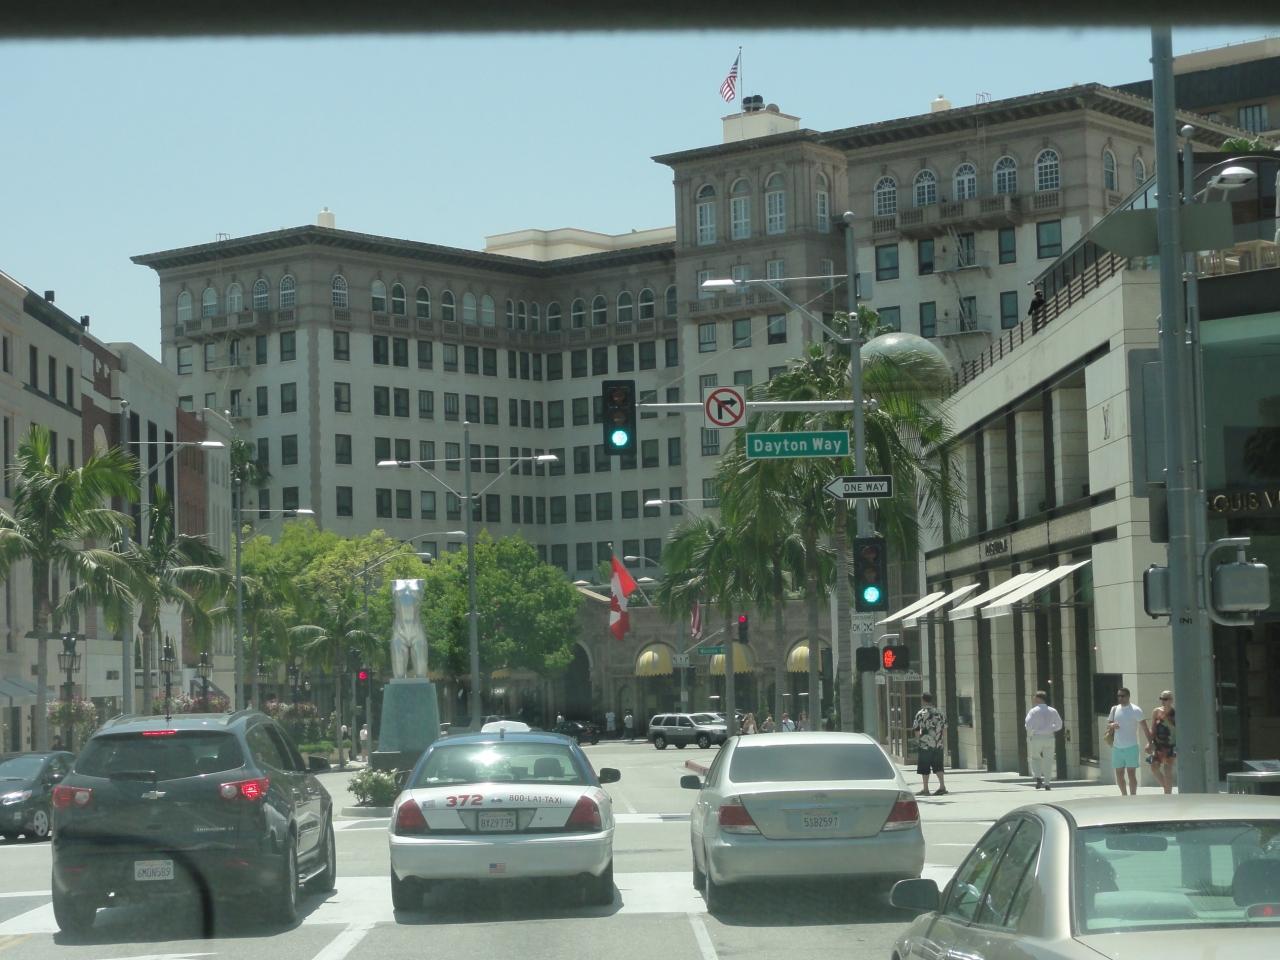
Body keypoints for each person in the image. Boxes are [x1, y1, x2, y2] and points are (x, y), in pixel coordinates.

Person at [1107, 687, 1144, 795]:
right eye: (1118, 696)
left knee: (1131, 774)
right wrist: (1112, 725)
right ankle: (1124, 795)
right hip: (1117, 747)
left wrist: (1150, 742)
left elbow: (1144, 727)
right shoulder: (1114, 709)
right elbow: (1108, 724)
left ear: (1128, 696)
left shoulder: (1136, 710)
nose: (1120, 698)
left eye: (1122, 696)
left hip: (1131, 747)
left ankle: (1133, 796)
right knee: (1119, 774)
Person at [1024, 690, 1063, 790]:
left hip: (1037, 736)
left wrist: (1035, 728)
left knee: (1035, 757)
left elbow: (1028, 725)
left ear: (1038, 698)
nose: (1033, 699)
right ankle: (1047, 783)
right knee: (1048, 760)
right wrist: (1051, 728)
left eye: (1035, 697)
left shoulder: (1033, 711)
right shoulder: (1053, 711)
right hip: (1049, 737)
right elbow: (1059, 725)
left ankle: (1038, 777)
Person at [911, 692, 948, 797]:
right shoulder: (940, 713)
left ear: (923, 700)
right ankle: (942, 786)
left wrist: (918, 740)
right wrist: (943, 741)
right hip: (938, 744)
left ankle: (926, 789)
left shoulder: (920, 714)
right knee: (938, 766)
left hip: (925, 745)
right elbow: (945, 729)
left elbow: (916, 729)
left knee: (924, 767)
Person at [1142, 690, 1176, 794]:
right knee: (1154, 767)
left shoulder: (1175, 712)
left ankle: (1168, 794)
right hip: (1158, 744)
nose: (1162, 701)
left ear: (1171, 700)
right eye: (1161, 698)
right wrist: (1149, 742)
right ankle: (1166, 788)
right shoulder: (1156, 711)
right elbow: (1153, 728)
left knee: (1167, 770)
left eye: (1165, 699)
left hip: (1170, 745)